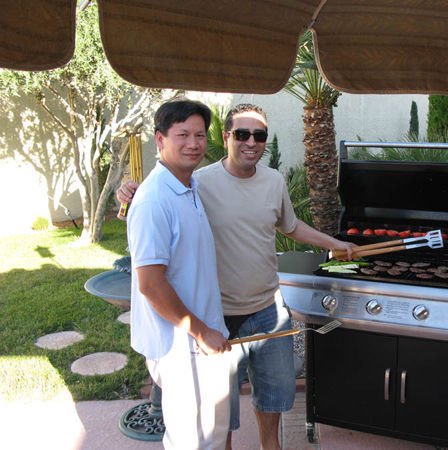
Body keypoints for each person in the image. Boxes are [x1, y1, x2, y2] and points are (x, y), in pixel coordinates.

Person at [118, 103, 353, 450]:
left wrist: (334, 244)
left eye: (259, 135)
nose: (251, 142)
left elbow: (290, 225)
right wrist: (130, 192)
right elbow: (156, 210)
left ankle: (270, 447)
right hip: (218, 318)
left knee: (273, 396)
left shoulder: (270, 181)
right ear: (227, 136)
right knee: (218, 413)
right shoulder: (197, 182)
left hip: (268, 309)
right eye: (242, 134)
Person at [127, 98, 231, 450]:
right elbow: (151, 284)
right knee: (192, 442)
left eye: (199, 135)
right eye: (182, 135)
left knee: (211, 437)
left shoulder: (188, 186)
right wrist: (201, 332)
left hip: (199, 341)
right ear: (160, 139)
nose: (193, 143)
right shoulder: (154, 200)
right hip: (181, 347)